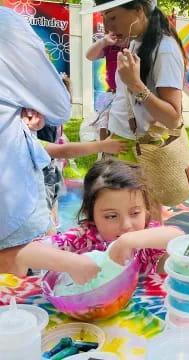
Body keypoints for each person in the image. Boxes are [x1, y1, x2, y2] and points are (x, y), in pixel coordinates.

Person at [0, 7, 100, 282]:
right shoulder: (7, 25)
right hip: (14, 196)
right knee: (15, 279)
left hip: (35, 186)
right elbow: (58, 107)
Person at [81, 0, 188, 220]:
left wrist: (135, 85)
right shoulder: (136, 42)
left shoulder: (165, 50)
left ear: (138, 10)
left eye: (112, 17)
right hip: (121, 142)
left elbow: (172, 118)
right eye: (103, 17)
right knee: (123, 220)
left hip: (141, 151)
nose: (107, 25)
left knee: (146, 222)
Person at [34, 159, 185, 273]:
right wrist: (70, 261)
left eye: (135, 213)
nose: (126, 225)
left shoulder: (145, 236)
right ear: (90, 214)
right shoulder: (83, 239)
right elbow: (26, 253)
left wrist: (127, 241)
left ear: (146, 209)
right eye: (112, 216)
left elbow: (179, 237)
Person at [21, 109, 127, 234]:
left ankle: (54, 231)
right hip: (40, 181)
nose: (34, 117)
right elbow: (62, 151)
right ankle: (51, 239)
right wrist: (102, 146)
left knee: (52, 209)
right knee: (46, 217)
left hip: (49, 172)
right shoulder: (22, 141)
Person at [86, 29, 129, 140]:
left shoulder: (135, 45)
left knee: (123, 124)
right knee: (104, 123)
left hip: (129, 93)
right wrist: (103, 42)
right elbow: (89, 56)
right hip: (113, 92)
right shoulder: (110, 46)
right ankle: (105, 152)